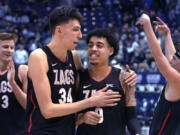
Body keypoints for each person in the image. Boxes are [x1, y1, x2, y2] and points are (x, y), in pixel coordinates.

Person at [26, 6, 121, 135]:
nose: (81, 35)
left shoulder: (74, 56)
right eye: (75, 30)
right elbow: (48, 110)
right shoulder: (39, 57)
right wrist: (91, 101)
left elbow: (89, 81)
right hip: (43, 131)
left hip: (68, 130)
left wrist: (122, 75)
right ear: (59, 30)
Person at [75, 28, 140, 135]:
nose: (93, 49)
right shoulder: (78, 78)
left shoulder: (123, 78)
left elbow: (131, 117)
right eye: (90, 45)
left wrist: (137, 133)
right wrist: (81, 118)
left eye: (99, 46)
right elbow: (65, 118)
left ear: (111, 51)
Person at [137, 14, 180, 135]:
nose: (171, 59)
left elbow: (158, 55)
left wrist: (147, 24)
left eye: (175, 59)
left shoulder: (177, 80)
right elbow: (172, 55)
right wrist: (167, 34)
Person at [0, 32, 28, 135]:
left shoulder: (22, 71)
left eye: (12, 47)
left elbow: (28, 105)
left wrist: (12, 83)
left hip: (18, 131)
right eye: (5, 47)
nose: (9, 50)